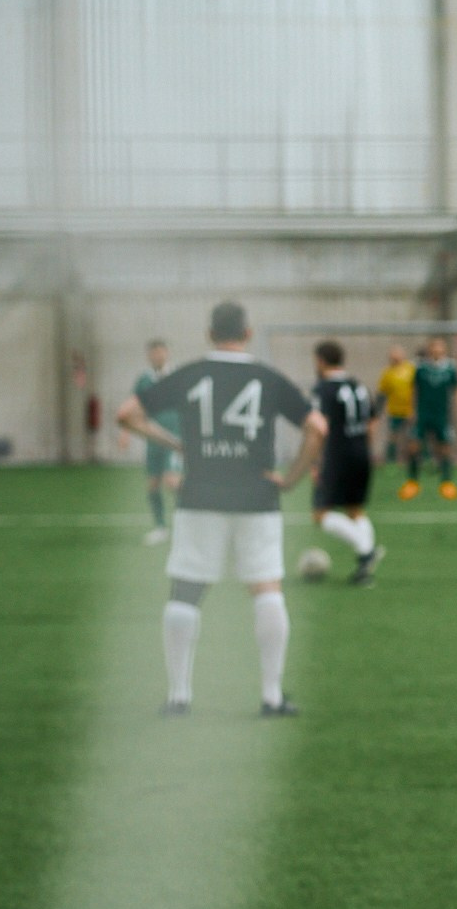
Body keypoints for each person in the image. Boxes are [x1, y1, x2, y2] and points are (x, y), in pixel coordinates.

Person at [116, 300, 327, 718]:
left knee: (187, 591)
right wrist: (291, 479)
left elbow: (126, 415)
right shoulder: (266, 378)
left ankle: (179, 697)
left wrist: (176, 444)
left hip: (200, 496)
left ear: (209, 334)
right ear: (248, 333)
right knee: (266, 588)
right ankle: (271, 697)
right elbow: (317, 427)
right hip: (257, 497)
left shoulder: (190, 373)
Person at [310, 340, 384, 587]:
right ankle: (365, 568)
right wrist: (366, 448)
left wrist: (316, 462)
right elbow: (373, 421)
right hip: (361, 452)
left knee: (320, 514)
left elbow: (319, 428)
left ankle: (366, 551)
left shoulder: (323, 389)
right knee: (355, 509)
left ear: (321, 360)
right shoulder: (358, 385)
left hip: (337, 456)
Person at [122, 339, 182, 545]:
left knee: (172, 482)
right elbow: (131, 407)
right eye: (153, 353)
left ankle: (186, 523)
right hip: (152, 437)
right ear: (149, 356)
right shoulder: (144, 380)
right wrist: (125, 433)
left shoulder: (178, 376)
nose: (158, 356)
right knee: (152, 485)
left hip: (175, 439)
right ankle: (160, 527)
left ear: (167, 353)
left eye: (161, 352)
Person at [404, 336, 457, 501]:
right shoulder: (421, 368)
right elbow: (413, 389)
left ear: (444, 349)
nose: (437, 350)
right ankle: (413, 482)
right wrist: (410, 410)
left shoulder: (451, 369)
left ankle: (446, 482)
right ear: (430, 349)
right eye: (434, 347)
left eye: (440, 347)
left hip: (442, 415)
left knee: (445, 447)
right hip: (423, 414)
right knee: (414, 446)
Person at [376, 343, 416, 467]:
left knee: (414, 436)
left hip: (410, 410)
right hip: (394, 410)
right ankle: (391, 460)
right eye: (393, 355)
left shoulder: (411, 369)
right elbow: (382, 393)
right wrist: (377, 412)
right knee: (393, 435)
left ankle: (418, 459)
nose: (395, 357)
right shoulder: (387, 373)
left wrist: (416, 408)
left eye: (398, 354)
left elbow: (418, 389)